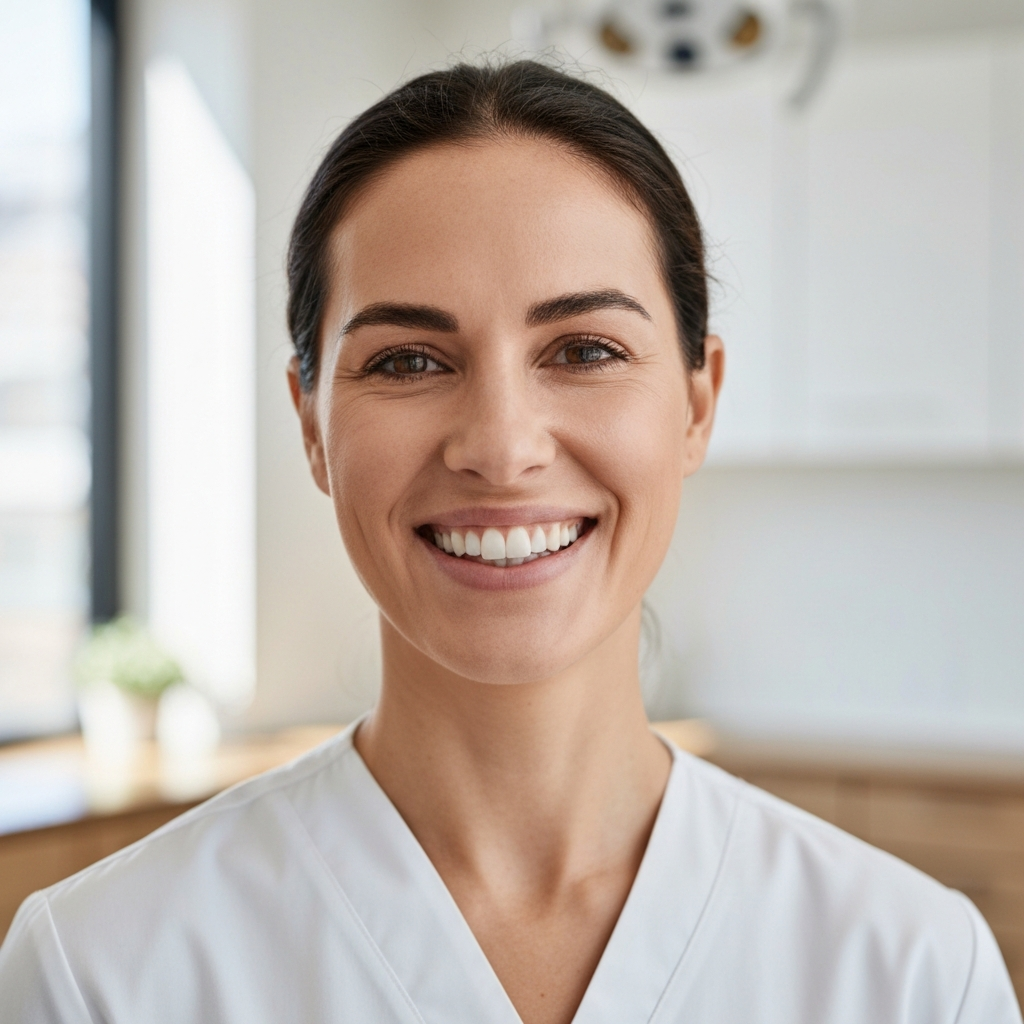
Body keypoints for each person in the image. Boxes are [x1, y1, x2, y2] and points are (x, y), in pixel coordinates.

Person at [0, 59, 1019, 1024]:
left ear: (698, 401)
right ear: (311, 422)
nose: (499, 446)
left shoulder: (912, 972)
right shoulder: (99, 973)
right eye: (405, 360)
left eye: (583, 350)